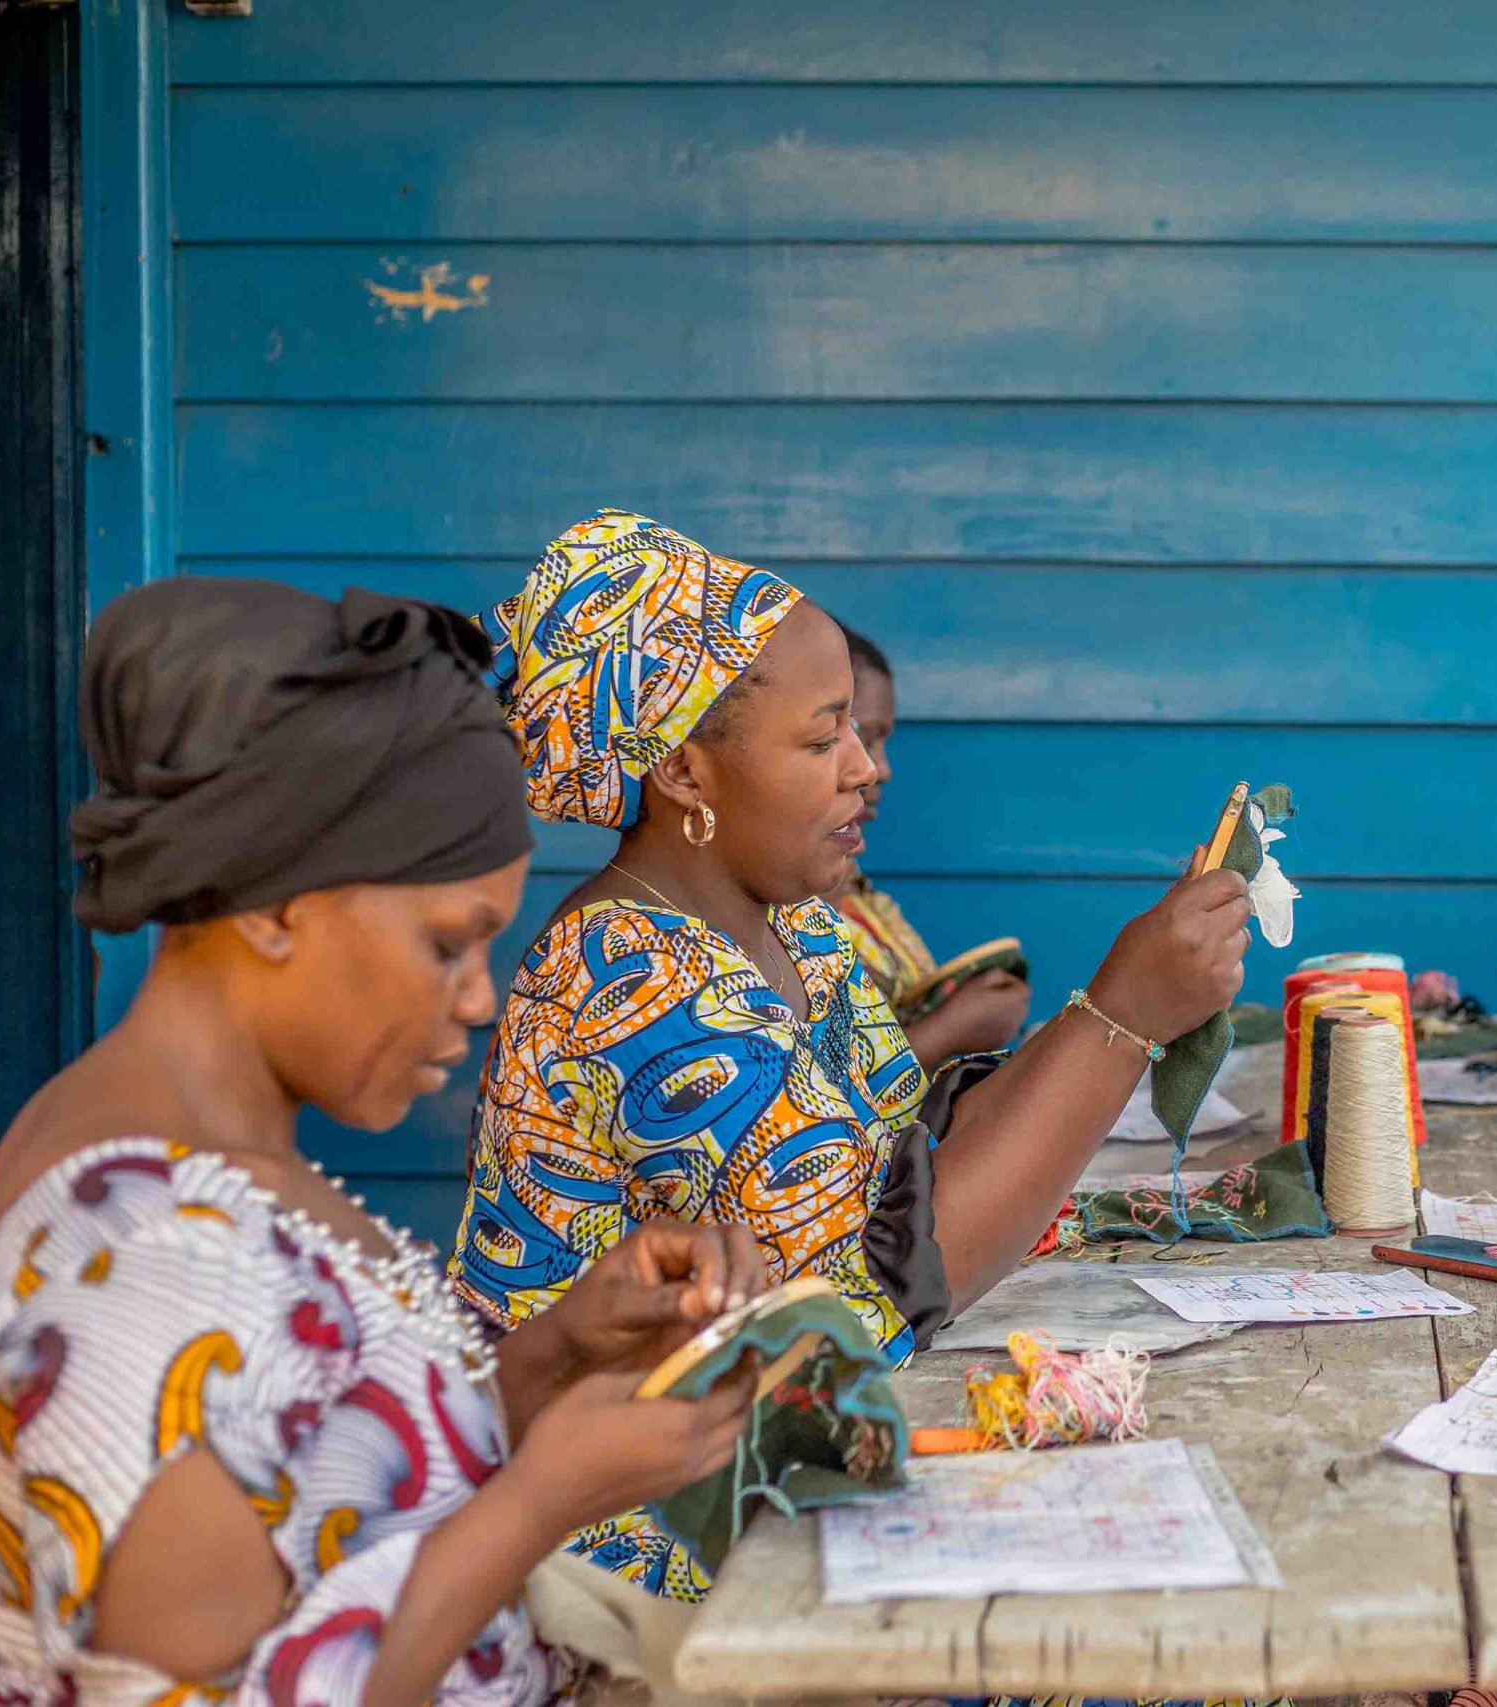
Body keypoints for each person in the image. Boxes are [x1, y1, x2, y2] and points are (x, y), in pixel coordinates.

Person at [0, 578, 771, 1704]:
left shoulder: (195, 1162)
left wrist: (558, 1356)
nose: (480, 998)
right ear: (273, 903)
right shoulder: (138, 1259)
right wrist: (537, 1502)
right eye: (448, 944)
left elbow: (320, 1502)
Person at [454, 511, 1249, 1601]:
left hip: (799, 1468)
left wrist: (1116, 1003)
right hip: (676, 1547)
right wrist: (1120, 1018)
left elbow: (910, 1153)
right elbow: (892, 1282)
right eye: (825, 738)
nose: (867, 769)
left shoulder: (792, 926)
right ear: (685, 772)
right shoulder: (625, 985)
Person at [829, 623, 1033, 1063]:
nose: (879, 769)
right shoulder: (770, 923)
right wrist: (951, 1029)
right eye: (862, 737)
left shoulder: (855, 890)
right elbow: (825, 1097)